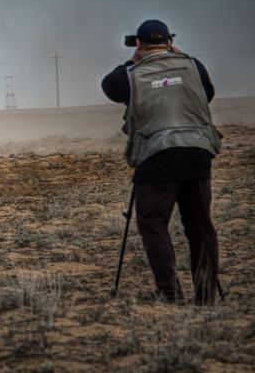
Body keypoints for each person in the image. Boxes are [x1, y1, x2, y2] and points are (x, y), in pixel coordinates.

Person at [101, 19, 222, 305]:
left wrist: (134, 60)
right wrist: (177, 60)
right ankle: (206, 297)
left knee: (153, 224)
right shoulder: (193, 66)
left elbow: (109, 86)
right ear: (170, 41)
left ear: (139, 43)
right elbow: (207, 94)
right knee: (200, 227)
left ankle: (170, 293)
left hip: (156, 156)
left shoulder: (131, 74)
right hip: (197, 152)